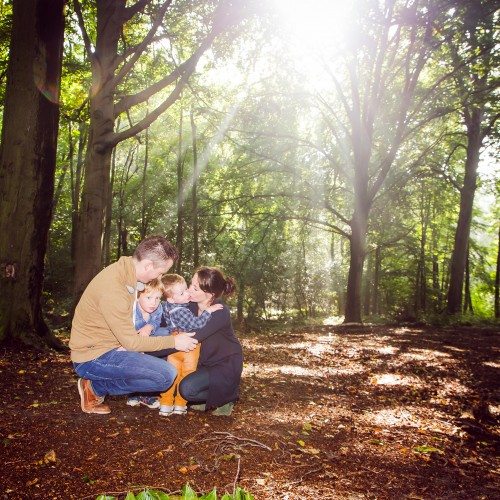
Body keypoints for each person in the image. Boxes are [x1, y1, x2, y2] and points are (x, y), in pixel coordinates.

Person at [70, 235, 198, 414]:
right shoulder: (114, 289)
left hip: (112, 344)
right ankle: (95, 387)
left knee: (162, 336)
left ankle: (95, 387)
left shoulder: (126, 272)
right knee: (166, 376)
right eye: (161, 272)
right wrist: (174, 342)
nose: (160, 277)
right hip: (92, 357)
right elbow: (132, 343)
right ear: (147, 265)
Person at [179, 267, 243, 416]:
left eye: (194, 288)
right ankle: (210, 398)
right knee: (180, 387)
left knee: (187, 390)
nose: (188, 290)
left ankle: (227, 397)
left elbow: (192, 338)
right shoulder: (191, 306)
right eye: (190, 284)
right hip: (204, 362)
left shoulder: (220, 312)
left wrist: (160, 346)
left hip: (225, 364)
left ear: (210, 294)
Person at [157, 274, 222, 416]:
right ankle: (180, 405)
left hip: (174, 346)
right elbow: (196, 324)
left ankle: (165, 404)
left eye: (186, 289)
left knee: (172, 375)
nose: (187, 293)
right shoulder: (182, 310)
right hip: (189, 346)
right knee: (186, 375)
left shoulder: (168, 306)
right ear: (171, 298)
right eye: (182, 292)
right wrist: (208, 311)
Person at [126, 278, 172, 409]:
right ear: (138, 296)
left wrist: (149, 326)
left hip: (149, 339)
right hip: (131, 342)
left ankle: (149, 393)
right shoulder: (131, 310)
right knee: (135, 360)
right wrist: (138, 345)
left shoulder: (158, 308)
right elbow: (124, 332)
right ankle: (133, 393)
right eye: (149, 297)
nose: (154, 302)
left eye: (158, 298)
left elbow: (157, 322)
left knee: (165, 334)